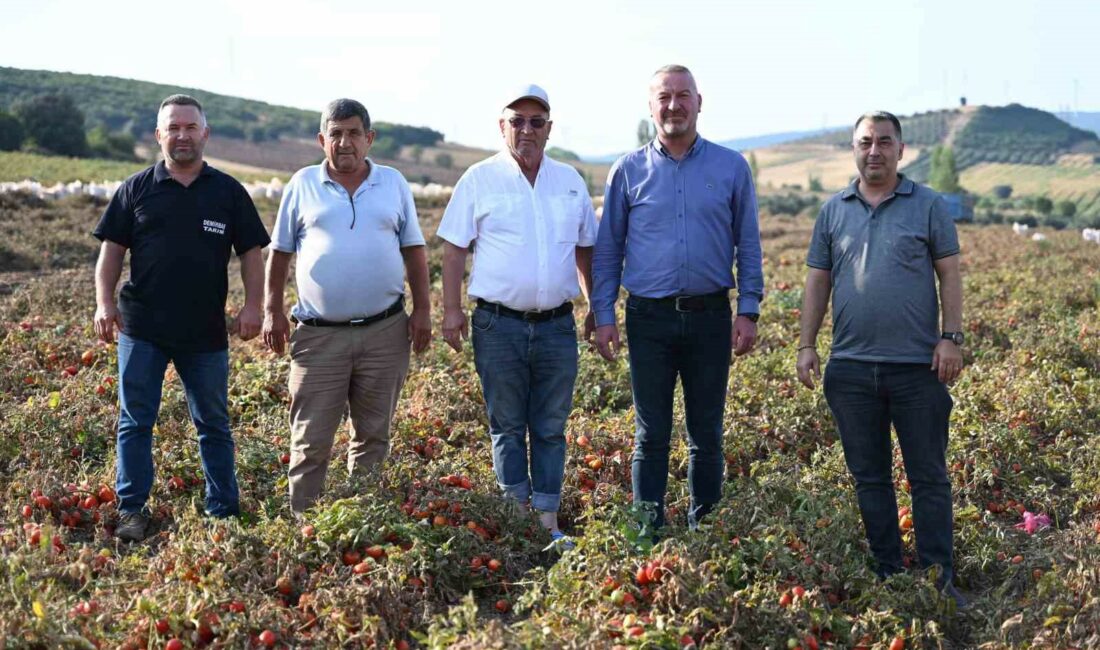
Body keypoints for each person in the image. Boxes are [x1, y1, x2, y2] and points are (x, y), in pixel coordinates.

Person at [796, 111, 966, 604]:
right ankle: (888, 574)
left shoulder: (929, 205)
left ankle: (939, 581)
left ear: (901, 149)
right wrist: (807, 344)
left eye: (884, 142)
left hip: (918, 368)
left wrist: (950, 337)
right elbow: (818, 282)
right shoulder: (833, 211)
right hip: (849, 369)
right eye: (866, 142)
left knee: (928, 477)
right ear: (854, 148)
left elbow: (949, 274)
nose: (875, 151)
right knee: (870, 478)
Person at [592, 65, 764, 531]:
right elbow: (608, 249)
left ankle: (704, 530)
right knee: (651, 436)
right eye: (664, 97)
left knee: (706, 435)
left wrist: (748, 309)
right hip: (649, 318)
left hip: (710, 316)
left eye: (682, 95)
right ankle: (647, 531)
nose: (674, 105)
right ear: (651, 107)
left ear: (699, 102)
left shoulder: (731, 167)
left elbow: (748, 243)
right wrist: (603, 315)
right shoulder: (627, 171)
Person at [93, 94, 270, 541]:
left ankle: (223, 512)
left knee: (212, 422)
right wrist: (104, 303)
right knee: (136, 421)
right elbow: (110, 252)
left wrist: (254, 305)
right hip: (143, 328)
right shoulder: (136, 188)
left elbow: (252, 251)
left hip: (205, 330)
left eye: (190, 127)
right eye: (173, 128)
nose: (182, 135)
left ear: (205, 134)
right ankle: (132, 509)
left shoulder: (228, 192)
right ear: (159, 136)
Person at [438, 84, 597, 545]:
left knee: (550, 426)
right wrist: (452, 310)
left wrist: (595, 308)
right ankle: (516, 518)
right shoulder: (479, 179)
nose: (526, 129)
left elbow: (587, 250)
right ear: (502, 125)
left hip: (557, 325)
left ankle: (546, 522)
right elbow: (452, 250)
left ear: (549, 128)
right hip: (497, 324)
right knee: (506, 425)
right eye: (517, 121)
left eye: (536, 122)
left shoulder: (570, 180)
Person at [262, 98, 430, 516]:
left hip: (385, 330)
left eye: (354, 132)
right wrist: (272, 310)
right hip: (319, 335)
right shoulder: (302, 184)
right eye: (335, 134)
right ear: (322, 140)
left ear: (369, 139)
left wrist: (424, 310)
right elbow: (279, 253)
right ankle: (305, 524)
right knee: (311, 438)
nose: (345, 142)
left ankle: (360, 520)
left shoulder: (393, 184)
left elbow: (414, 250)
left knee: (373, 435)